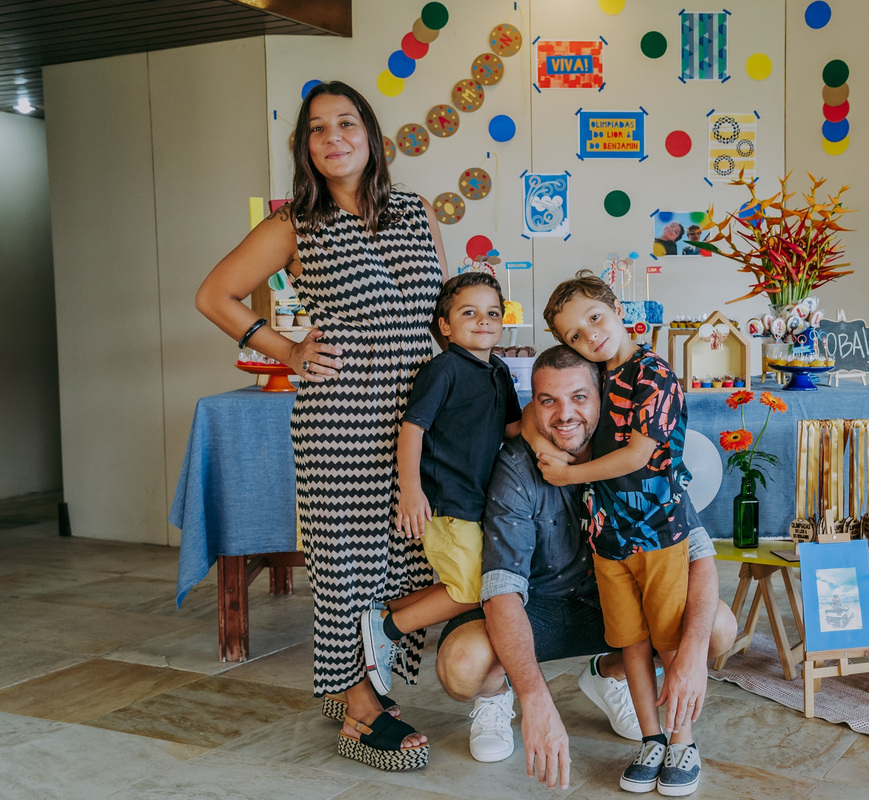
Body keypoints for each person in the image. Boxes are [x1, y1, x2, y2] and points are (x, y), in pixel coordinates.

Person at [195, 80, 448, 772]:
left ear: (370, 135)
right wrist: (288, 351)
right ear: (304, 147)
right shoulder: (293, 226)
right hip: (340, 419)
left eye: (346, 123)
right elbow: (213, 294)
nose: (333, 137)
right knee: (345, 565)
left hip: (416, 416)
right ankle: (360, 709)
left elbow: (443, 316)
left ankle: (360, 678)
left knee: (407, 556)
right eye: (317, 128)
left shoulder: (415, 212)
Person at [433, 345, 736, 788]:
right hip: (539, 610)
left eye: (579, 397)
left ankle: (609, 674)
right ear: (531, 405)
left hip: (612, 605)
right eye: (547, 400)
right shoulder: (517, 467)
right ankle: (496, 696)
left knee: (716, 627)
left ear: (603, 398)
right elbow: (501, 592)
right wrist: (536, 697)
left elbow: (697, 555)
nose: (563, 414)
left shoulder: (637, 456)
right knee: (462, 665)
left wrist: (689, 656)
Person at [537, 272, 702, 796]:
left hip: (659, 536)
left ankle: (683, 741)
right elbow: (552, 413)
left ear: (614, 306)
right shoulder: (595, 374)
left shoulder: (653, 373)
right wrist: (535, 440)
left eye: (594, 319)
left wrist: (566, 474)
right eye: (574, 336)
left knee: (670, 644)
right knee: (630, 641)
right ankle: (651, 738)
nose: (589, 337)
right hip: (607, 542)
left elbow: (638, 454)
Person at [359, 272, 522, 697]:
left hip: (483, 502)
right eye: (469, 312)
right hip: (448, 503)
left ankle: (388, 611)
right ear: (445, 326)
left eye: (492, 313)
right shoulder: (444, 368)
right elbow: (413, 427)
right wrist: (410, 490)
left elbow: (512, 429)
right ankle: (390, 626)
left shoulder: (499, 371)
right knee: (473, 589)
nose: (483, 321)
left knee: (480, 582)